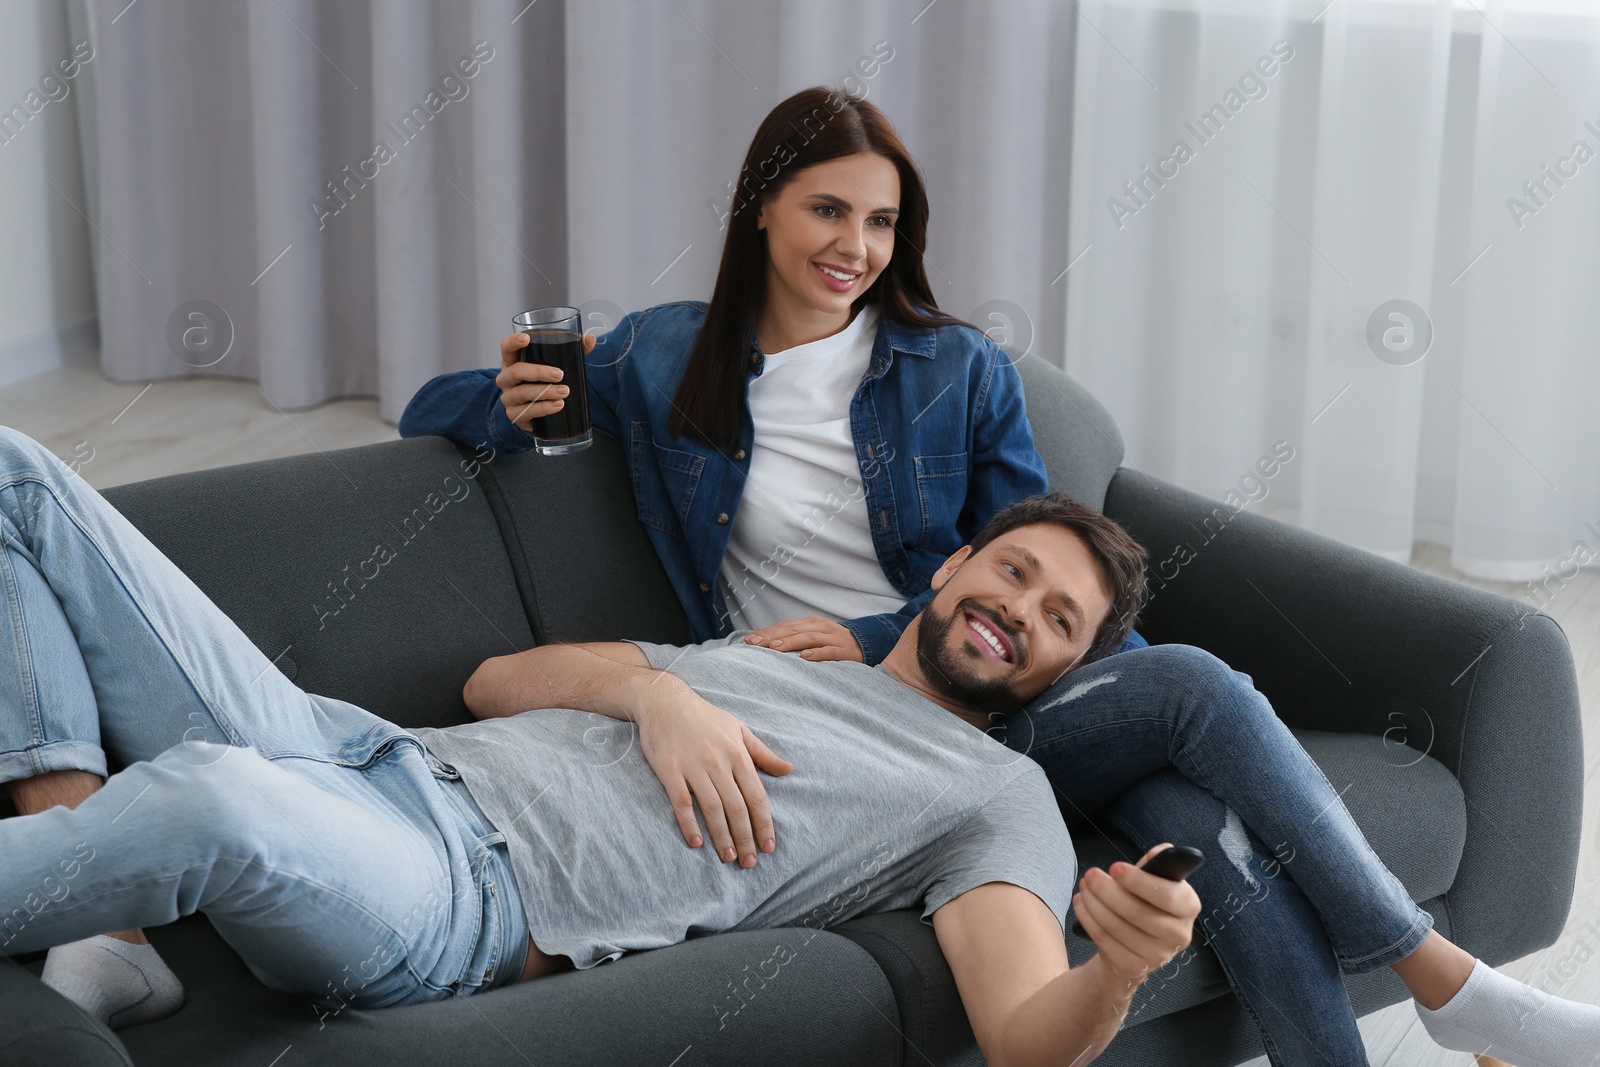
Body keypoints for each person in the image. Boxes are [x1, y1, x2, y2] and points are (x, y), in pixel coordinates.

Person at [395, 84, 1447, 1062]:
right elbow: (429, 416)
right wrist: (509, 399)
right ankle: (1435, 975)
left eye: (881, 223)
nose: (855, 246)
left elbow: (1029, 562)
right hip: (822, 719)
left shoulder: (956, 369)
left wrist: (867, 630)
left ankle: (1431, 969)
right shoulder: (661, 356)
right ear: (760, 208)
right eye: (826, 210)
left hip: (966, 691)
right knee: (1186, 809)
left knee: (1181, 684)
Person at [2, 427, 1594, 1065]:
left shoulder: (999, 797)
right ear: (958, 565)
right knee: (20, 473)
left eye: (1055, 624)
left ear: (1062, 672)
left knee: (206, 794)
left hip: (449, 893)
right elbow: (494, 674)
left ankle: (87, 871)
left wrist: (1115, 966)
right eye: (1014, 575)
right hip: (359, 745)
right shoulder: (782, 646)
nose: (1018, 614)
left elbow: (1025, 1030)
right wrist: (663, 687)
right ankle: (91, 875)